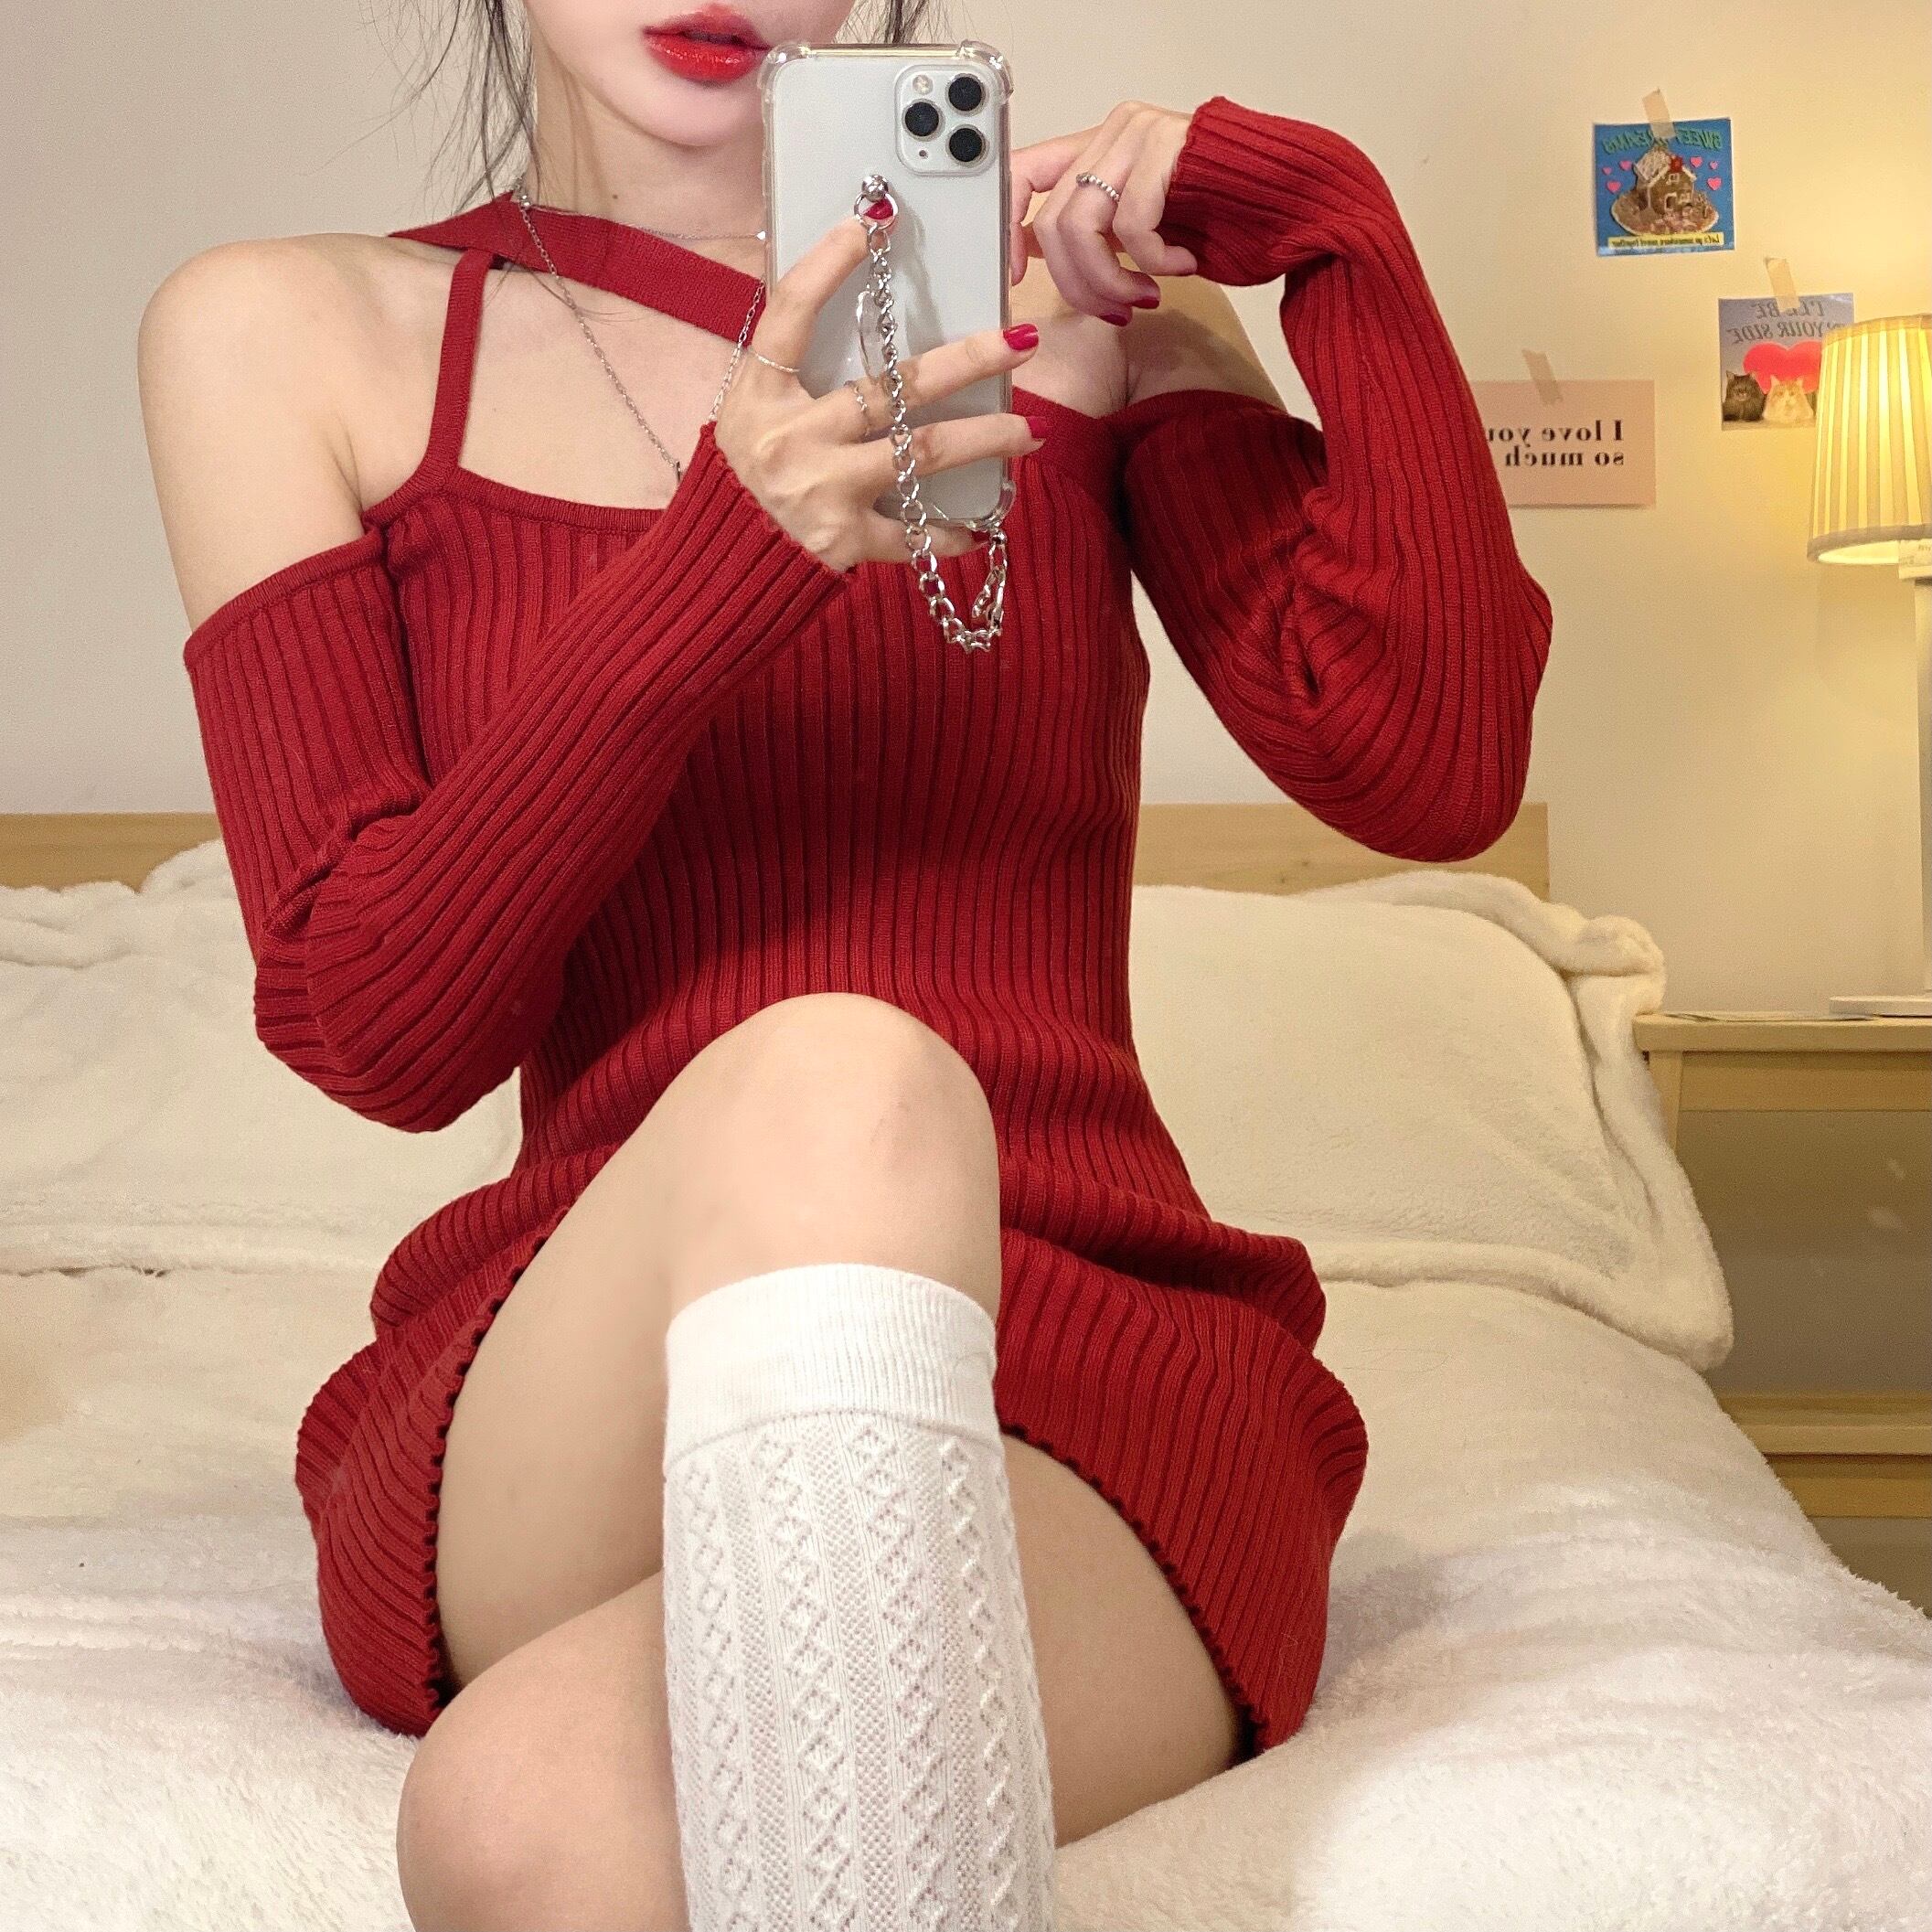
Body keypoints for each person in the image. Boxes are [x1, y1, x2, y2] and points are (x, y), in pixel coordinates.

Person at [137, 1, 1553, 1924]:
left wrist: (1331, 231)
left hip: (1080, 1367)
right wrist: (725, 562)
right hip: (579, 1370)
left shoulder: (1069, 315)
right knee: (840, 1073)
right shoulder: (291, 333)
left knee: (526, 1816)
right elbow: (376, 1025)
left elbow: (1431, 771)